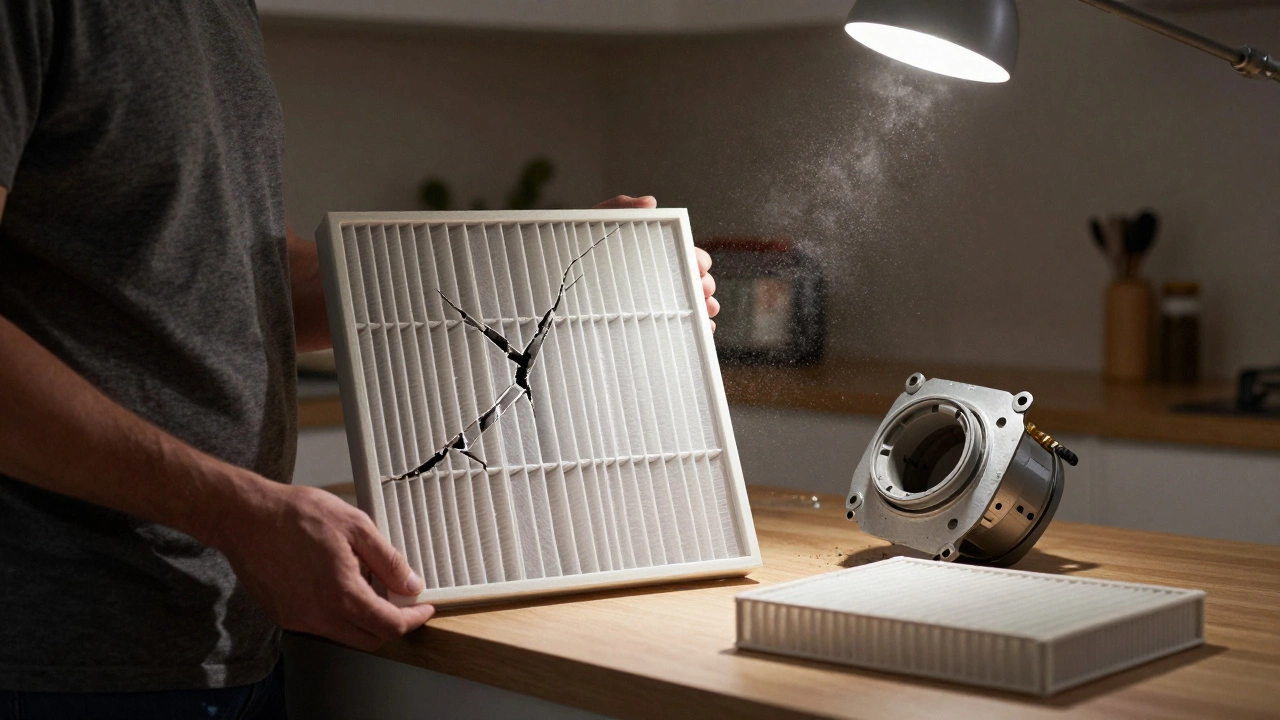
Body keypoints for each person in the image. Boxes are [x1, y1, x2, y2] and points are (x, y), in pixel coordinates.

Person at [0, 2, 720, 718]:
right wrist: (235, 512)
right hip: (57, 651)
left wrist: (549, 266)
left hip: (225, 633)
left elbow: (237, 276)